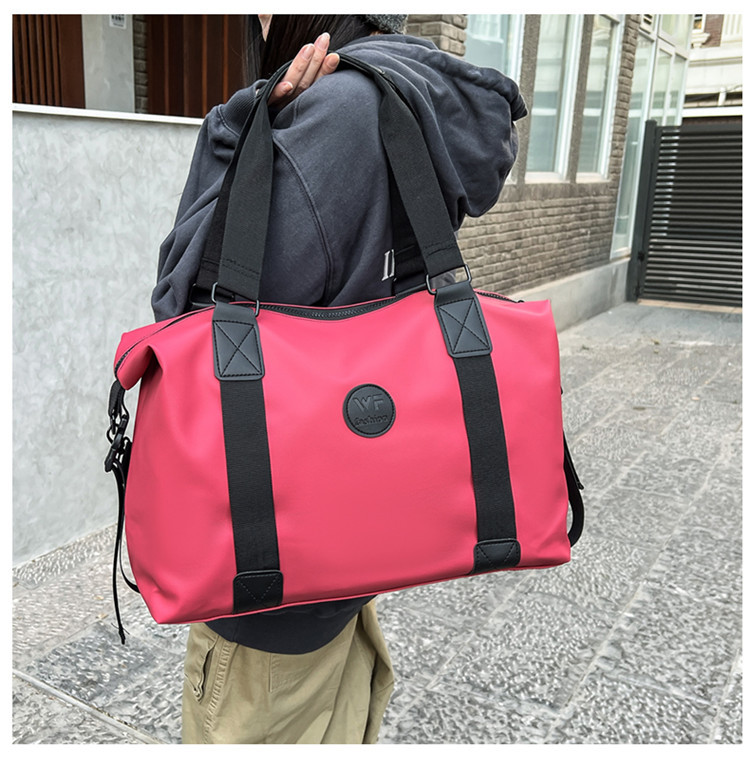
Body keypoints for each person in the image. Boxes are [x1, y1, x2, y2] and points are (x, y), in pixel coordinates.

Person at [153, 14, 526, 744]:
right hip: (349, 561)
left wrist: (233, 129)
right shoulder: (419, 96)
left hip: (273, 606)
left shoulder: (330, 116)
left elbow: (186, 314)